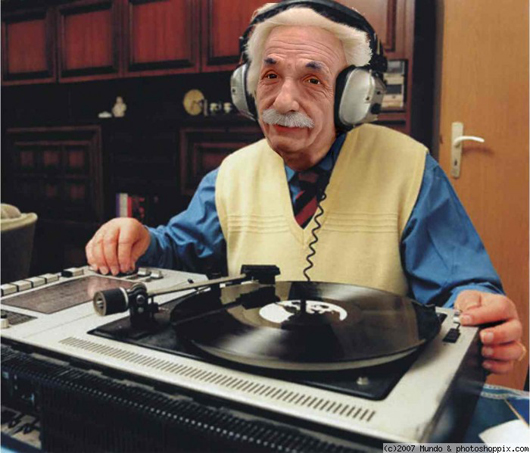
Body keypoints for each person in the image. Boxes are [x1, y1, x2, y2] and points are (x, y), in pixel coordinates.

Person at [86, 0, 524, 375]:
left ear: (354, 97)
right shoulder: (231, 174)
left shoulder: (410, 169)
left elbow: (462, 286)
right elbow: (181, 250)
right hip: (254, 378)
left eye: (313, 80)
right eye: (270, 76)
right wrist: (140, 241)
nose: (283, 101)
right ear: (246, 88)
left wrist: (480, 309)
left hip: (374, 385)